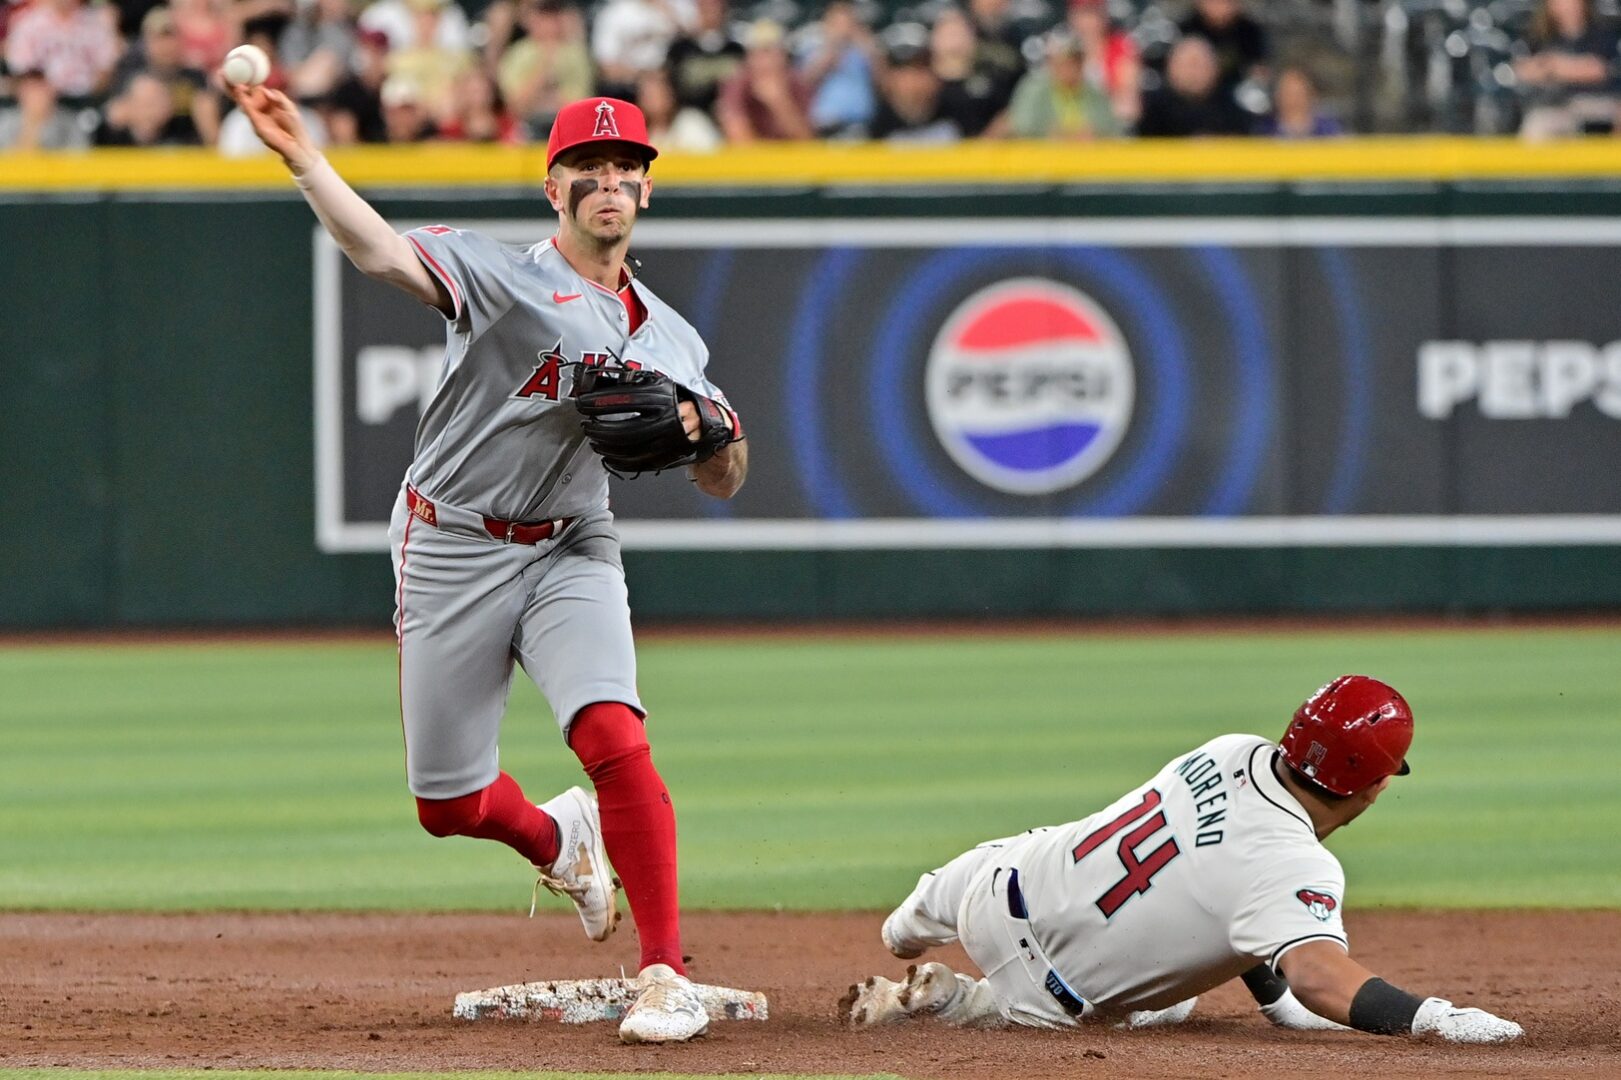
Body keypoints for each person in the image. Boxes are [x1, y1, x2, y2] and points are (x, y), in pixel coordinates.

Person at [227, 85, 747, 1043]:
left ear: (644, 191)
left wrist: (710, 427)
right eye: (587, 170)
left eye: (625, 169)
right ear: (554, 188)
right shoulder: (500, 274)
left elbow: (723, 476)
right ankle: (559, 839)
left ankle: (665, 972)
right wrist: (304, 156)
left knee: (613, 735)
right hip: (451, 540)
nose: (608, 182)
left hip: (570, 543)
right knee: (448, 803)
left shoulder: (672, 338)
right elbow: (380, 251)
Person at [844, 675, 1524, 1045]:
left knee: (902, 931)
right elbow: (1316, 976)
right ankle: (960, 1002)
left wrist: (1274, 991)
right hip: (1043, 997)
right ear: (1374, 785)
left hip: (993, 881)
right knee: (1162, 1005)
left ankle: (906, 932)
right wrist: (1430, 1016)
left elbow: (1223, 877)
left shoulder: (1229, 749)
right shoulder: (1295, 868)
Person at [1513, 0, 1620, 138]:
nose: (1567, 5)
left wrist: (1554, 67)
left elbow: (1598, 70)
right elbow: (1523, 70)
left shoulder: (1602, 34)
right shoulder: (1541, 37)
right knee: (1536, 125)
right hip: (1557, 106)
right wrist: (1563, 67)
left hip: (1597, 102)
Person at [1136, 35, 1252, 136]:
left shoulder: (1232, 110)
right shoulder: (1150, 110)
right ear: (1170, 68)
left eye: (1199, 65)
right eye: (1188, 65)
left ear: (1215, 69)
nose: (1193, 73)